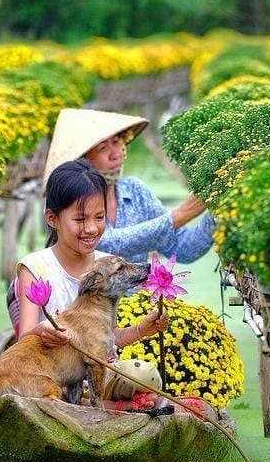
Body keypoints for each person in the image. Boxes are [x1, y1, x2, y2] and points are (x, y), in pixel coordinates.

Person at [9, 159, 168, 410]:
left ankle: (102, 405)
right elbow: (23, 339)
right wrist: (41, 330)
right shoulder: (35, 268)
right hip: (50, 380)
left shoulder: (107, 265)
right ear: (52, 218)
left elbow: (105, 338)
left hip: (99, 378)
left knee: (143, 375)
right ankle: (109, 408)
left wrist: (141, 330)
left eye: (99, 217)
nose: (91, 228)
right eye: (80, 219)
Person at [42, 108, 214, 264]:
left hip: (138, 299)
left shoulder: (135, 191)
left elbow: (183, 249)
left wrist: (217, 214)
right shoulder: (66, 202)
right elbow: (108, 244)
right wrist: (181, 214)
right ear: (81, 159)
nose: (116, 154)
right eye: (103, 148)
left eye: (117, 142)